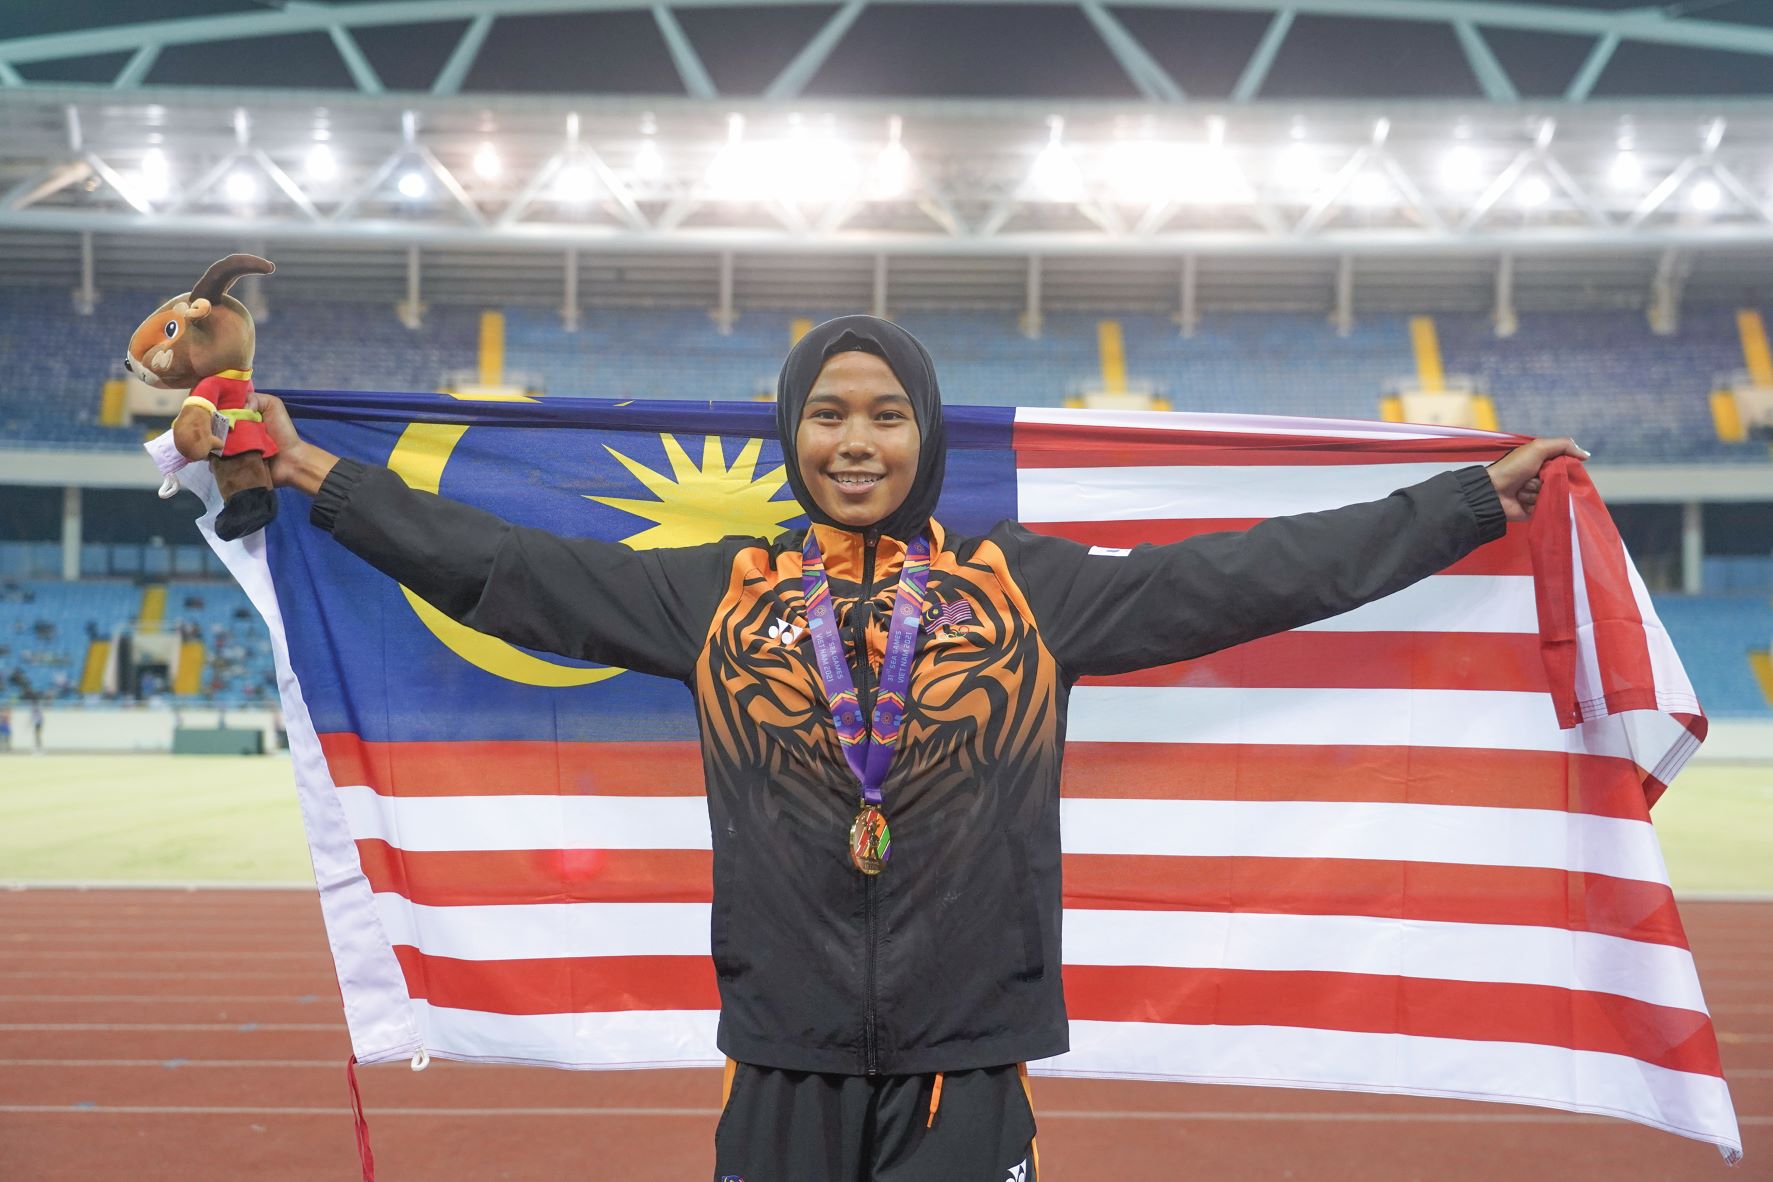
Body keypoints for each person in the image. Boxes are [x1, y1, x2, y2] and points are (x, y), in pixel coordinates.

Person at [248, 316, 1581, 1182]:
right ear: (793, 434)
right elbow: (503, 572)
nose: (855, 441)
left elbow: (1251, 577)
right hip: (782, 1056)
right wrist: (314, 474)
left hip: (967, 1060)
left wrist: (1464, 502)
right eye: (828, 413)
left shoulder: (1027, 592)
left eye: (886, 413)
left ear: (925, 434)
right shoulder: (717, 596)